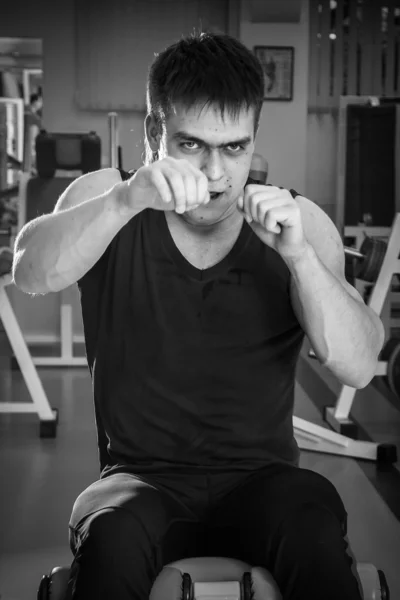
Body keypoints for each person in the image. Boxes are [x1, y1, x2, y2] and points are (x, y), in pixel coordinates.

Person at [13, 32, 385, 600]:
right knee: (110, 540)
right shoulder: (109, 196)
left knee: (313, 522)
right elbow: (30, 272)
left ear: (254, 139)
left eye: (235, 148)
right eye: (192, 146)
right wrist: (124, 200)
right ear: (152, 136)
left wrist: (299, 257)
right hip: (138, 482)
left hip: (265, 481)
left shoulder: (299, 222)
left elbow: (359, 367)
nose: (216, 173)